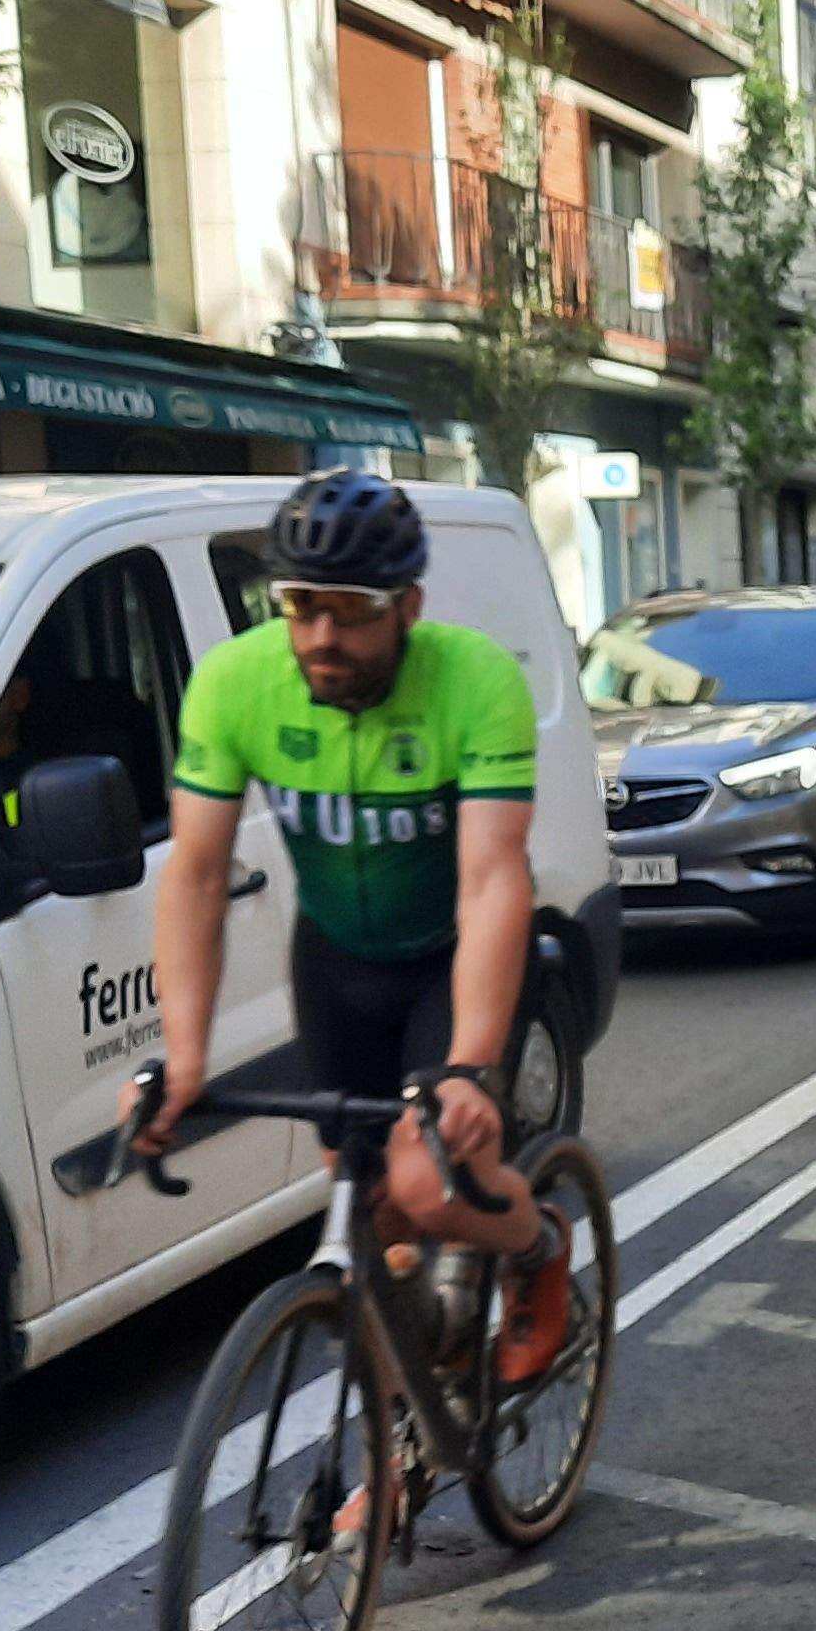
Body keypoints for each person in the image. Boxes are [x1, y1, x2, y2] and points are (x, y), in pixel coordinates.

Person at [125, 467, 564, 1380]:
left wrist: (471, 1069)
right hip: (336, 963)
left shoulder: (475, 680)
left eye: (352, 610)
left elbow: (490, 882)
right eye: (300, 607)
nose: (322, 637)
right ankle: (398, 1467)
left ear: (409, 604)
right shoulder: (238, 682)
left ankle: (536, 1249)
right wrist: (186, 1056)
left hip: (451, 958)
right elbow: (197, 875)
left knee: (425, 1185)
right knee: (368, 1221)